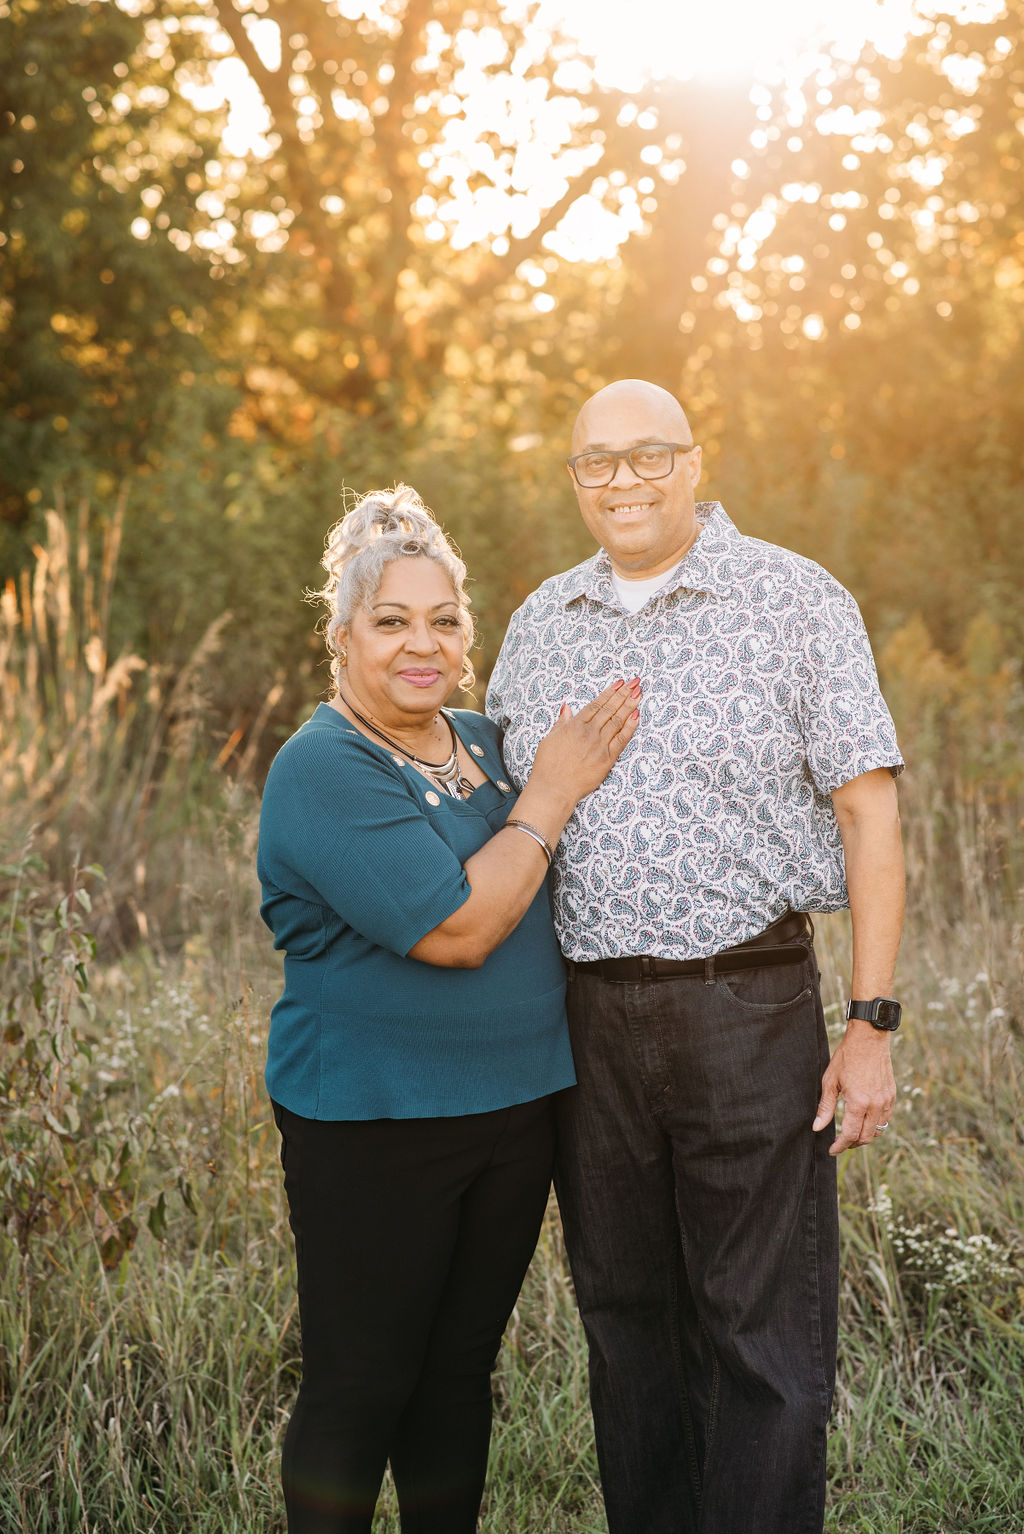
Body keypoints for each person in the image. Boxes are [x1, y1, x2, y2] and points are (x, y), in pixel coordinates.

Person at [486, 379, 906, 1534]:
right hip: (585, 1021)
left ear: (693, 460)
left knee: (758, 1333)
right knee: (625, 1324)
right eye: (596, 462)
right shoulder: (539, 622)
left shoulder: (792, 598)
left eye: (646, 455)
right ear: (573, 478)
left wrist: (870, 1021)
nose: (621, 479)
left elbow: (869, 813)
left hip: (749, 1006)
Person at [257, 483, 639, 1534]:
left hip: (517, 1112)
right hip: (376, 1124)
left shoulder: (481, 737)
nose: (419, 645)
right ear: (340, 638)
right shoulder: (323, 766)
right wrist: (551, 796)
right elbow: (461, 931)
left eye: (442, 620)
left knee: (456, 1373)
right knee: (363, 1381)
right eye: (390, 622)